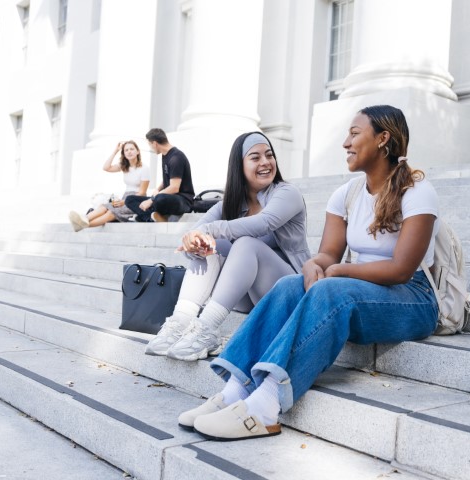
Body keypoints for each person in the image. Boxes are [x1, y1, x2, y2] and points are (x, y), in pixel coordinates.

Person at [178, 105, 440, 441]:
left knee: (332, 291)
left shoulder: (418, 192)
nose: (346, 142)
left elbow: (402, 269)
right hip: (359, 289)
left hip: (414, 299)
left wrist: (339, 270)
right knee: (291, 284)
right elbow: (328, 254)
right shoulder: (346, 194)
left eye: (355, 133)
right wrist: (314, 264)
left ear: (383, 139)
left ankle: (265, 408)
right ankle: (235, 391)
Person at [145, 131, 310, 362]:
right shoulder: (231, 203)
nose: (265, 162)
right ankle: (181, 321)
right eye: (255, 157)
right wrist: (194, 240)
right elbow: (199, 229)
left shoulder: (286, 193)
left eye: (269, 155)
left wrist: (210, 231)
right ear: (239, 166)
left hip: (289, 291)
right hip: (248, 297)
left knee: (244, 243)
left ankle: (206, 328)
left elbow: (263, 223)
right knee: (207, 245)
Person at [68, 141, 149, 232]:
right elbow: (106, 168)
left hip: (136, 201)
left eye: (132, 149)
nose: (129, 152)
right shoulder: (124, 166)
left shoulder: (144, 168)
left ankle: (83, 225)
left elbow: (142, 192)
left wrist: (124, 202)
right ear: (124, 154)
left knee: (111, 212)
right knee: (104, 207)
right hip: (125, 197)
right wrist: (115, 151)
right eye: (126, 150)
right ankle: (82, 219)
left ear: (138, 151)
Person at [125, 128, 195, 222]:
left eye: (150, 145)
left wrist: (152, 199)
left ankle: (146, 216)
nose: (151, 148)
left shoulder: (176, 158)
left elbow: (174, 187)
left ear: (154, 143)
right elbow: (169, 178)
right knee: (129, 199)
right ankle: (150, 217)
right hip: (166, 197)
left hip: (183, 201)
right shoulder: (165, 155)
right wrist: (157, 189)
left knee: (159, 199)